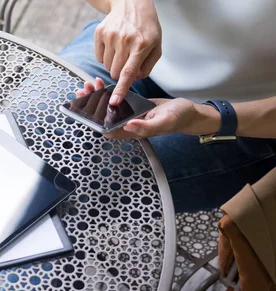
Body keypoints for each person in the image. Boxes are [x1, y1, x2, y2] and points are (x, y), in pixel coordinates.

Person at [59, 0, 276, 213]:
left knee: (85, 182)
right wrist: (127, 5)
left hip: (248, 119)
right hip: (137, 49)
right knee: (32, 122)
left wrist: (205, 117)